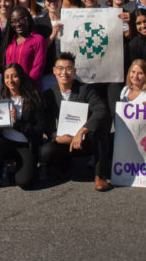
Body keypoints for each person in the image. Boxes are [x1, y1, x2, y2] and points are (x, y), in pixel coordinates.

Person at [40, 53, 111, 191]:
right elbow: (46, 123)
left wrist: (82, 131)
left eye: (68, 68)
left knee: (101, 132)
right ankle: (64, 165)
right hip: (63, 140)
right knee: (46, 151)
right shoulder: (48, 94)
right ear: (54, 71)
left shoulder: (85, 89)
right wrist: (57, 137)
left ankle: (100, 175)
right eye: (60, 68)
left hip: (83, 140)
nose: (64, 72)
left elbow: (101, 110)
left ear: (74, 71)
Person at [0, 63, 49, 189]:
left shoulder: (33, 98)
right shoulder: (1, 96)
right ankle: (1, 168)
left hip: (25, 144)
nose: (10, 81)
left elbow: (40, 128)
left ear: (21, 77)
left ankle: (29, 166)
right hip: (6, 142)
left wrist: (17, 123)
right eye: (7, 77)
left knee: (24, 182)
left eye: (14, 76)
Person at [1, 6, 47, 86]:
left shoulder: (38, 40)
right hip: (10, 88)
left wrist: (25, 85)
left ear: (28, 20)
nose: (18, 24)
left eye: (21, 20)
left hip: (29, 89)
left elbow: (38, 67)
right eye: (14, 21)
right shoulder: (9, 40)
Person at [33, 0, 63, 91]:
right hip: (48, 72)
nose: (53, 2)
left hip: (67, 71)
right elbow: (38, 51)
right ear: (45, 2)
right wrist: (52, 35)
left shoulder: (70, 19)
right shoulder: (38, 24)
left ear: (61, 0)